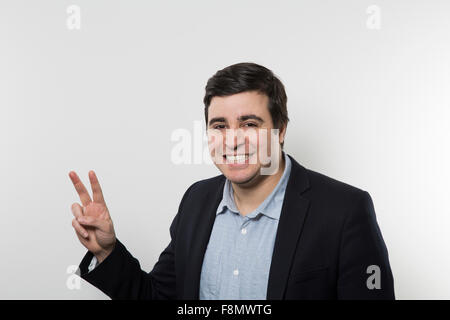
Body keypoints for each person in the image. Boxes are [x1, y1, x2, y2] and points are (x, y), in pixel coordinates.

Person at [69, 62, 395, 299]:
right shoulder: (196, 201)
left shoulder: (345, 211)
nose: (232, 140)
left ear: (280, 130)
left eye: (249, 124)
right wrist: (108, 252)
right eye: (220, 126)